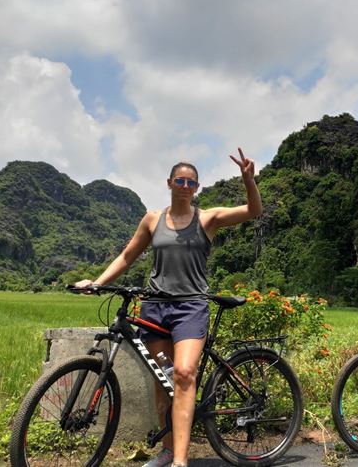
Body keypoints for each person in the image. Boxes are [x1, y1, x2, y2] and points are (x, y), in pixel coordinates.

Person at [75, 149, 262, 467]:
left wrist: (248, 179)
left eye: (191, 182)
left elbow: (254, 210)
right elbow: (127, 256)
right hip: (155, 310)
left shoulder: (208, 219)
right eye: (180, 180)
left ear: (197, 187)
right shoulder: (152, 219)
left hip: (190, 309)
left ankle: (181, 460)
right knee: (163, 381)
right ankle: (167, 450)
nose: (185, 186)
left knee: (184, 374)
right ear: (169, 183)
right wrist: (98, 281)